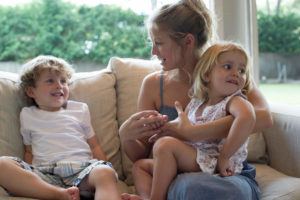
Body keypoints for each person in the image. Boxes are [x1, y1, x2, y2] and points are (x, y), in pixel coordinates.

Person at [120, 0, 272, 200]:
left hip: (227, 176)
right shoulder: (153, 85)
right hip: (175, 175)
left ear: (187, 41)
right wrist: (126, 135)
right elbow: (144, 155)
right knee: (183, 184)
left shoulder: (228, 73)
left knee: (193, 187)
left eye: (159, 43)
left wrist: (192, 132)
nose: (153, 52)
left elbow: (263, 117)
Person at [0, 55, 121, 200]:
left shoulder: (80, 109)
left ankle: (83, 192)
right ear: (31, 91)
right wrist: (29, 176)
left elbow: (94, 146)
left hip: (82, 170)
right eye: (50, 81)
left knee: (104, 172)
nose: (59, 85)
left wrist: (108, 171)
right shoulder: (27, 114)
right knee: (2, 164)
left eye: (63, 81)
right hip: (45, 173)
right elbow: (29, 151)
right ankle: (60, 195)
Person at [148, 42, 256, 200]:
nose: (237, 74)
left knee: (164, 145)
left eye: (242, 70)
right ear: (206, 74)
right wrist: (167, 129)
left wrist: (225, 156)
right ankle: (145, 196)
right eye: (228, 67)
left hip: (215, 160)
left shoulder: (234, 101)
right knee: (141, 167)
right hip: (197, 157)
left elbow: (247, 118)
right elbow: (185, 135)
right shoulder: (196, 102)